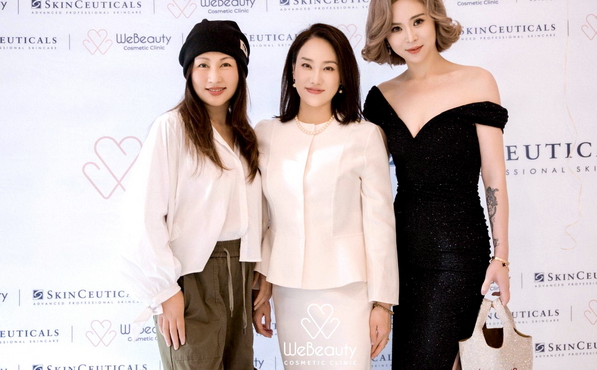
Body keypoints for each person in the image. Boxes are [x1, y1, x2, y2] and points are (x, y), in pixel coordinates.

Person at [361, 0, 511, 370]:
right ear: (385, 36)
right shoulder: (380, 98)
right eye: (396, 28)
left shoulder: (477, 82)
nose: (410, 36)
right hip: (402, 252)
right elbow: (367, 182)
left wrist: (502, 257)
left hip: (458, 251)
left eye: (418, 21)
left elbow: (494, 178)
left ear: (435, 21)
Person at [252, 23, 399, 370]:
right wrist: (262, 286)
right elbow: (264, 220)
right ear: (292, 71)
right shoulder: (265, 134)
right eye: (306, 65)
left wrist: (383, 303)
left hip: (348, 290)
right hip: (288, 289)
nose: (315, 77)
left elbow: (379, 224)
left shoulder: (365, 136)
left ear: (342, 77)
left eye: (328, 68)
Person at [120, 19, 262, 370]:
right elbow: (142, 215)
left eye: (226, 64)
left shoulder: (245, 136)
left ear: (240, 72)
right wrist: (164, 290)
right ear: (189, 72)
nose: (214, 77)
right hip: (192, 279)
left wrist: (258, 275)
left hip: (241, 275)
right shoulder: (172, 128)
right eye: (203, 65)